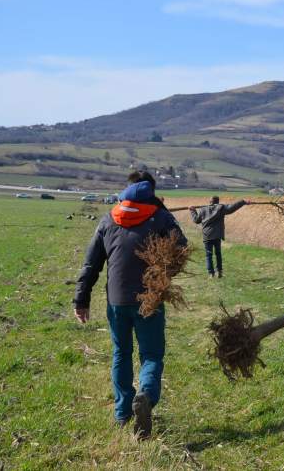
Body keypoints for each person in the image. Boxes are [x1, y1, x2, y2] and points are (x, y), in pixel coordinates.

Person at [72, 171, 187, 439]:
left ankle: (123, 414)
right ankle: (145, 395)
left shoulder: (108, 219)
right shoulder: (159, 218)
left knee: (121, 354)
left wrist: (81, 298)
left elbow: (91, 264)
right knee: (152, 355)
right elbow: (181, 248)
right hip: (150, 298)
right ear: (151, 192)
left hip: (117, 301)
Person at [189, 196, 250, 278]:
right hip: (217, 235)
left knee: (208, 255)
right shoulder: (221, 208)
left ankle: (211, 273)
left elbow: (196, 220)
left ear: (209, 201)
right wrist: (243, 201)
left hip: (207, 236)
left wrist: (193, 211)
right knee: (218, 253)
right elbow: (232, 207)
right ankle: (219, 272)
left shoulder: (203, 209)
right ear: (218, 201)